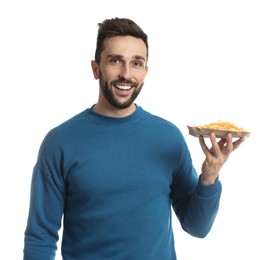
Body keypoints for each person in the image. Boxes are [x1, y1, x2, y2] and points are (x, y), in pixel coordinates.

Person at [23, 17, 245, 260]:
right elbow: (41, 236)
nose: (126, 74)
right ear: (96, 68)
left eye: (136, 63)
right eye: (115, 61)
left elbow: (197, 227)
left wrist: (210, 176)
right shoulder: (60, 142)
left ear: (145, 72)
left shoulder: (168, 137)